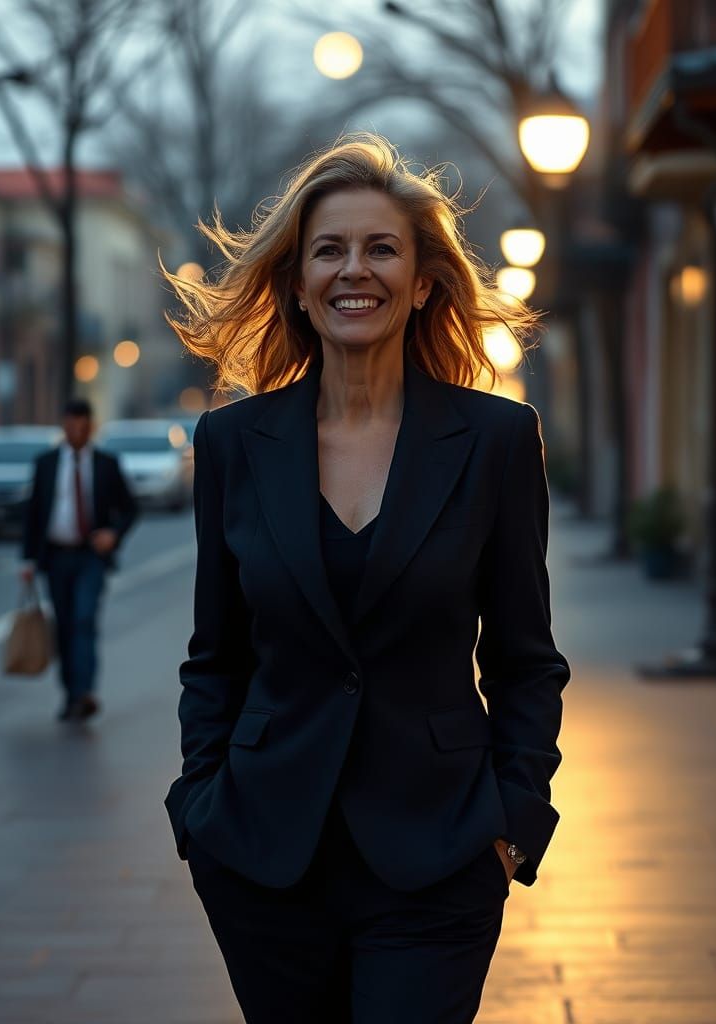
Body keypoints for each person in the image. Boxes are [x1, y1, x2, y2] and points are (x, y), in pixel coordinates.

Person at [162, 133, 571, 1022]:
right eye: (330, 250)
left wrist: (513, 818)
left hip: (442, 853)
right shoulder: (234, 445)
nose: (357, 270)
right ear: (299, 284)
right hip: (265, 858)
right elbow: (215, 657)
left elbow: (525, 660)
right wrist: (200, 812)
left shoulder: (496, 443)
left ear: (423, 280)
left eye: (382, 248)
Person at [20, 398, 138, 721]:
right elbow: (33, 513)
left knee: (84, 620)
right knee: (65, 625)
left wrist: (113, 534)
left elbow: (129, 508)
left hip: (90, 557)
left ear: (90, 426)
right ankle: (71, 693)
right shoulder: (45, 464)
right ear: (64, 425)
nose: (76, 430)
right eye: (71, 424)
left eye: (82, 425)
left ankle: (85, 692)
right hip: (56, 557)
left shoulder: (105, 464)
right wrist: (28, 560)